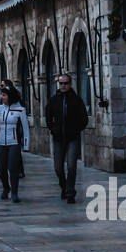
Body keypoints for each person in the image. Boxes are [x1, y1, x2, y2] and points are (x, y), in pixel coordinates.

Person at [46, 72, 90, 205]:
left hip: (72, 138)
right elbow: (48, 116)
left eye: (66, 83)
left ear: (70, 84)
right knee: (58, 167)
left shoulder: (76, 100)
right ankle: (63, 186)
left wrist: (76, 130)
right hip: (58, 138)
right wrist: (53, 129)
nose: (63, 85)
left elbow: (84, 118)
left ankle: (70, 192)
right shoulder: (54, 100)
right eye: (61, 83)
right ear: (58, 84)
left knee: (72, 165)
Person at [0, 83, 30, 203]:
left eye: (4, 95)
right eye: (1, 95)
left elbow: (25, 129)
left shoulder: (20, 110)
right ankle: (6, 188)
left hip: (14, 143)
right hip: (1, 142)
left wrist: (26, 145)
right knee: (1, 169)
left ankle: (15, 192)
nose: (2, 97)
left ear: (10, 96)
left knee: (13, 168)